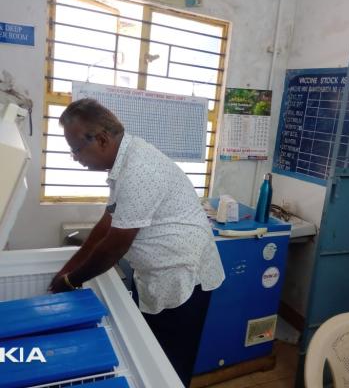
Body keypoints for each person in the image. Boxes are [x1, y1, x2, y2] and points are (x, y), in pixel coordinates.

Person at [49, 98, 225, 387]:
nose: (75, 157)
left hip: (182, 276)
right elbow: (106, 225)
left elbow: (114, 247)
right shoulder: (124, 161)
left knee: (169, 366)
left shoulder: (139, 169)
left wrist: (70, 282)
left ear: (103, 139)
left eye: (76, 149)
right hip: (159, 274)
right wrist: (67, 270)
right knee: (151, 354)